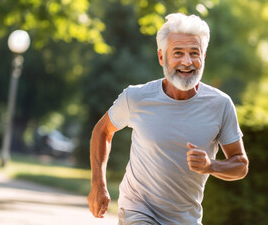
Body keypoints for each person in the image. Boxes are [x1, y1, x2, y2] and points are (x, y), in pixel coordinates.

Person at [87, 13, 249, 225]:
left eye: (194, 53)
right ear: (162, 57)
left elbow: (240, 165)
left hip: (186, 219)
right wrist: (98, 184)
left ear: (204, 56)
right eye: (178, 53)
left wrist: (211, 165)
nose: (187, 61)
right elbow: (102, 131)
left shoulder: (220, 105)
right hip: (138, 209)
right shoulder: (136, 97)